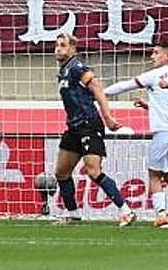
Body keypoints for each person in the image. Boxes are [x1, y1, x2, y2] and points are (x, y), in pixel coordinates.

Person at [49, 32, 135, 225]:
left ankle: (126, 211)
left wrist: (108, 117)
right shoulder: (63, 71)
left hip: (89, 124)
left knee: (94, 171)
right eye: (57, 45)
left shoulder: (77, 67)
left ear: (72, 49)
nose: (58, 49)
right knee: (62, 172)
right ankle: (73, 214)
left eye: (63, 45)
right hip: (73, 127)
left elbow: (96, 87)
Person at [107, 42, 168, 226]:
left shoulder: (154, 74)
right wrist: (148, 106)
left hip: (165, 132)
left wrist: (99, 93)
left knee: (154, 174)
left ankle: (161, 214)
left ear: (167, 56)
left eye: (156, 52)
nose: (152, 56)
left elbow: (124, 86)